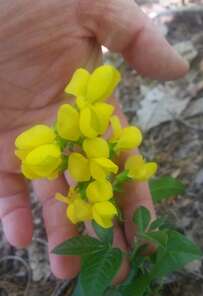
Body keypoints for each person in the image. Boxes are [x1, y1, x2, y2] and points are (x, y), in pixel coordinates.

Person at [0, 0, 188, 281]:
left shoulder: (82, 126)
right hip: (78, 151)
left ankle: (147, 271)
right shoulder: (72, 134)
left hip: (86, 152)